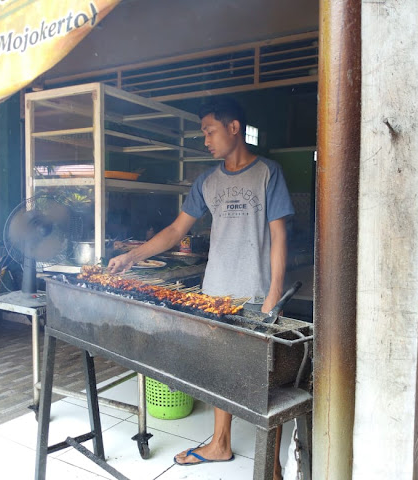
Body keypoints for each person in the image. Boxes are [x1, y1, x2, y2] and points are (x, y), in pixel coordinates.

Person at [108, 97, 294, 479]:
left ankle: (271, 465)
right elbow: (177, 230)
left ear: (233, 128)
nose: (205, 140)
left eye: (209, 131)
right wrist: (133, 257)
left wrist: (274, 293)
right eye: (203, 133)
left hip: (256, 294)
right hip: (214, 292)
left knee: (263, 380)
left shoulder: (268, 173)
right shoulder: (206, 181)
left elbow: (279, 237)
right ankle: (219, 443)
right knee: (219, 370)